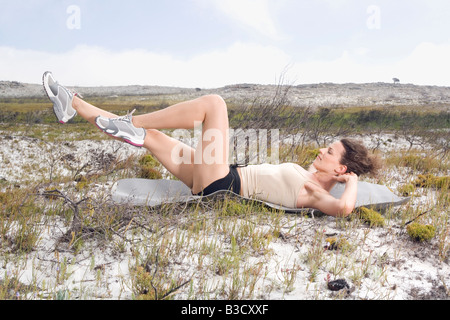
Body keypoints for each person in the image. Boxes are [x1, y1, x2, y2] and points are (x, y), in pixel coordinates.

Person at [42, 71, 380, 217]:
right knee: (154, 139)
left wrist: (352, 182)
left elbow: (345, 208)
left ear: (340, 167)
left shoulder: (314, 191)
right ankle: (73, 103)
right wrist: (348, 173)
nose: (322, 150)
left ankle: (131, 123)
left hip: (222, 184)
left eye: (330, 152)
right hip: (215, 174)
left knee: (215, 104)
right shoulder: (309, 174)